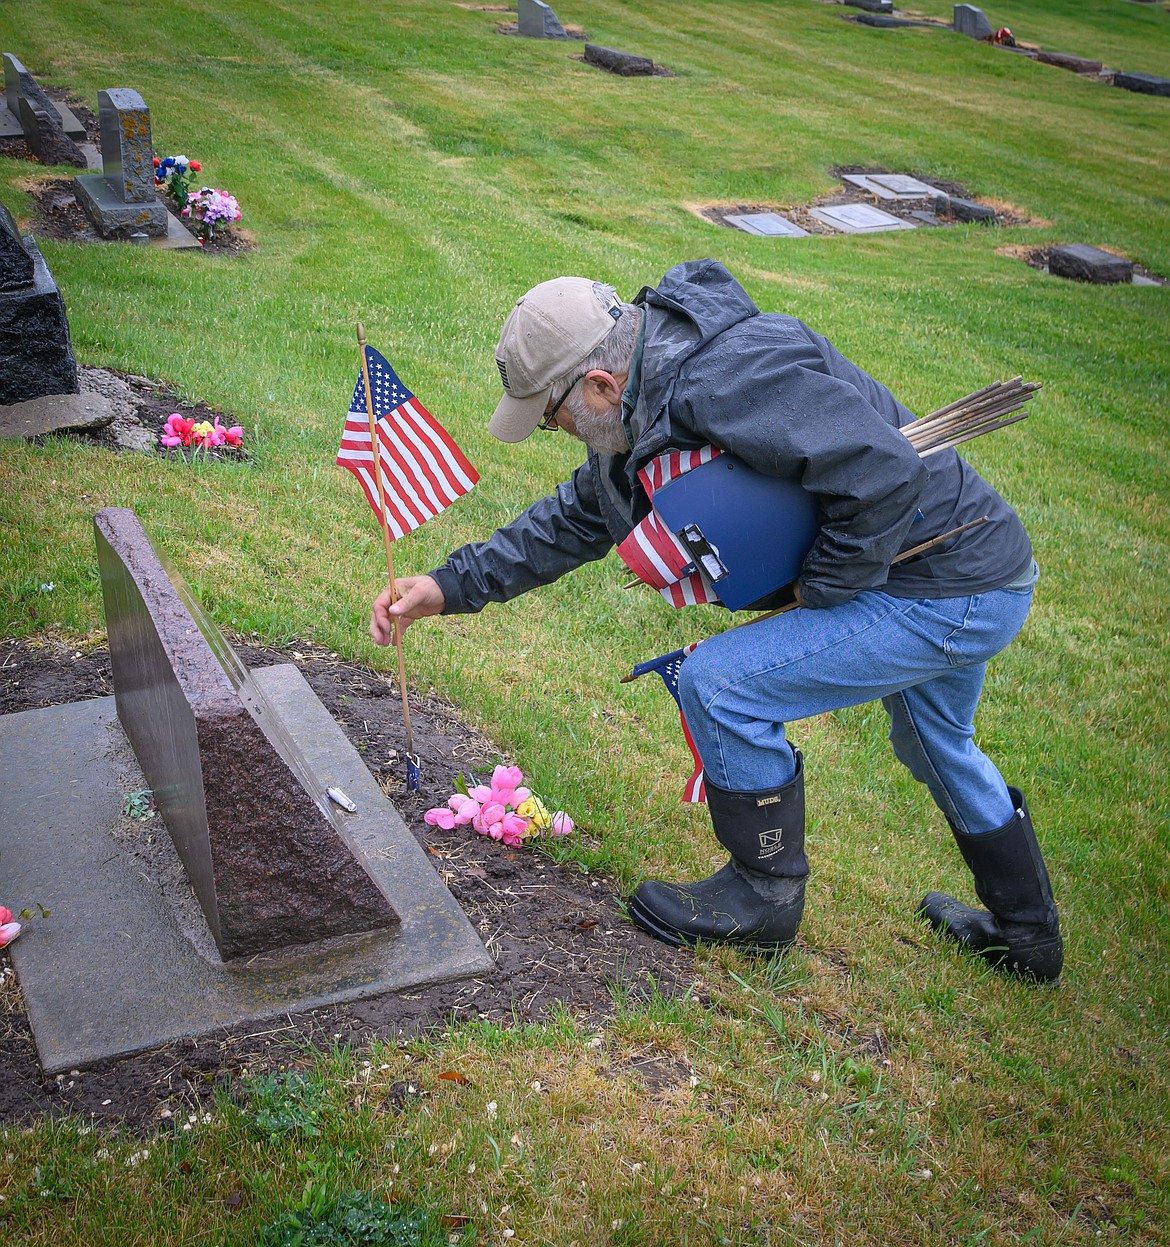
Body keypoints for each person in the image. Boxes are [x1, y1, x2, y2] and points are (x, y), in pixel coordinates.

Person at [370, 259, 1062, 982]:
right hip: (960, 565)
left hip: (952, 582)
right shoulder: (650, 389)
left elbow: (885, 472)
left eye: (553, 416)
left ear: (600, 386)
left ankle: (762, 897)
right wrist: (448, 585)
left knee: (721, 682)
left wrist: (821, 591)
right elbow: (582, 514)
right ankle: (1029, 936)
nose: (559, 431)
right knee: (933, 741)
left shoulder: (728, 381)